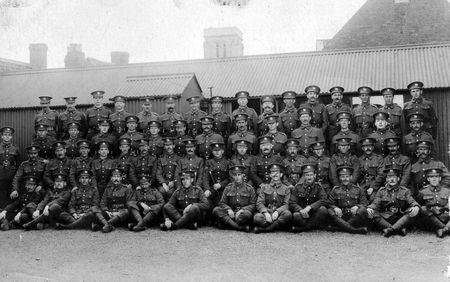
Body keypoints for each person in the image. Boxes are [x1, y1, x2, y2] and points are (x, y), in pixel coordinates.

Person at [367, 166, 420, 237]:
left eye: (394, 177)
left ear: (398, 179)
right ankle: (398, 229)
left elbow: (412, 201)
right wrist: (370, 208)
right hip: (386, 218)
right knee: (372, 212)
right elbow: (375, 203)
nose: (392, 179)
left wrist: (416, 206)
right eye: (389, 177)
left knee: (411, 211)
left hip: (399, 217)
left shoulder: (405, 191)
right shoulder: (381, 191)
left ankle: (390, 230)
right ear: (386, 179)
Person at [212, 165, 256, 232]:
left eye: (239, 175)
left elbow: (253, 204)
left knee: (247, 214)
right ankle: (239, 227)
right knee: (216, 210)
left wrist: (242, 210)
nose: (237, 177)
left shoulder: (249, 188)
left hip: (242, 214)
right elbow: (222, 203)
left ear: (243, 175)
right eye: (235, 175)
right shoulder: (228, 188)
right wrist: (229, 209)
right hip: (231, 213)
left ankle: (229, 224)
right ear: (232, 176)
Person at [327, 166, 368, 234]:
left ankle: (340, 227)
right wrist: (335, 208)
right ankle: (355, 230)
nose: (345, 179)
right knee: (330, 210)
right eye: (342, 177)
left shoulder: (358, 189)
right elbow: (329, 204)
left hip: (354, 216)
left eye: (347, 176)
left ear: (351, 177)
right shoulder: (335, 189)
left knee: (363, 209)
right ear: (340, 178)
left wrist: (357, 206)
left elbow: (364, 203)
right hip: (341, 216)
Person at [253, 163, 292, 233]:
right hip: (268, 212)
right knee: (257, 218)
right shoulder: (264, 187)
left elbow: (287, 204)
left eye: (277, 172)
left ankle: (265, 229)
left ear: (281, 175)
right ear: (270, 175)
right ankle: (278, 226)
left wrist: (277, 211)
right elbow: (259, 203)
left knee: (287, 214)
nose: (275, 174)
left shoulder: (286, 188)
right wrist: (266, 213)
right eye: (273, 172)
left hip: (279, 213)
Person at [289, 163, 328, 233]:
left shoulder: (318, 187)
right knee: (296, 216)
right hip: (302, 213)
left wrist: (310, 207)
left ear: (315, 175)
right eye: (307, 175)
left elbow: (324, 199)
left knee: (323, 210)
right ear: (304, 176)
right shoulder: (298, 187)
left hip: (314, 213)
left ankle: (304, 228)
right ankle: (312, 226)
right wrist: (301, 210)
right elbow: (292, 202)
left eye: (311, 175)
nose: (309, 177)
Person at [98, 168, 135, 233]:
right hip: (110, 213)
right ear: (111, 178)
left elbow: (129, 204)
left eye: (118, 177)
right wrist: (106, 211)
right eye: (114, 176)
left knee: (126, 212)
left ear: (121, 178)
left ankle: (107, 224)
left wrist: (118, 213)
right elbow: (103, 203)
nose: (116, 179)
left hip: (121, 214)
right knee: (96, 210)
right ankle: (111, 225)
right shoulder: (108, 189)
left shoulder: (126, 189)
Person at [416, 167, 450, 238]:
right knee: (423, 209)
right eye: (431, 177)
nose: (434, 179)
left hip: (445, 216)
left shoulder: (447, 191)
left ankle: (443, 230)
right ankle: (446, 228)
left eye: (436, 177)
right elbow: (419, 207)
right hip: (431, 218)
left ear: (440, 178)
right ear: (428, 179)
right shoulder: (422, 192)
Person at [0, 126, 20, 208]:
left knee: (11, 194)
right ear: (1, 136)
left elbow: (18, 163)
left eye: (9, 135)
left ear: (11, 136)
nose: (7, 136)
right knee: (1, 194)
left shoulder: (15, 148)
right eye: (5, 134)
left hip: (12, 175)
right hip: (1, 175)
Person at [156, 137, 180, 202]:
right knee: (162, 191)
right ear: (164, 147)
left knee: (171, 193)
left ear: (173, 146)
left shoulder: (178, 158)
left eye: (170, 145)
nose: (168, 147)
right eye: (166, 145)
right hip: (164, 183)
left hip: (174, 183)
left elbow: (179, 173)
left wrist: (174, 181)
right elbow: (158, 173)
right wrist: (163, 183)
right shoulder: (160, 159)